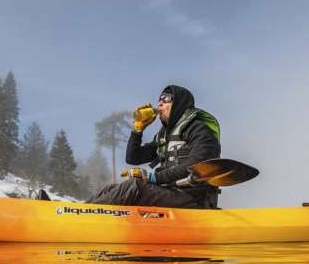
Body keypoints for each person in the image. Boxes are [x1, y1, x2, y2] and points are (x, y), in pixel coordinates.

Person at [87, 85, 221, 208]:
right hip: (170, 192)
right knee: (110, 189)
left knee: (134, 187)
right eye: (159, 99)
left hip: (193, 197)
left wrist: (154, 178)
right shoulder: (164, 136)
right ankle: (78, 213)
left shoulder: (198, 129)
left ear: (180, 104)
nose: (159, 103)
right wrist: (137, 130)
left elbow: (198, 164)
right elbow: (133, 158)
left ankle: (85, 218)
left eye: (166, 98)